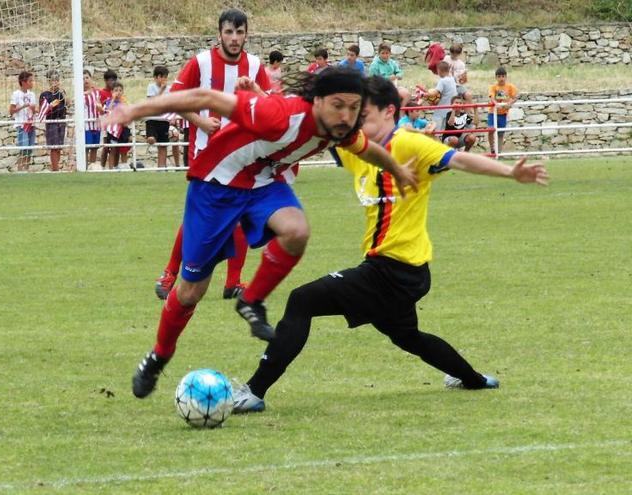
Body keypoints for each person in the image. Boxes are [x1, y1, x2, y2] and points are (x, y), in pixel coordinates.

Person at [231, 76, 548, 414]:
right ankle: (473, 379)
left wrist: (508, 173)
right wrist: (261, 99)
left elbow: (459, 160)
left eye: (362, 115)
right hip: (398, 273)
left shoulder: (410, 144)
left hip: (394, 271)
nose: (354, 123)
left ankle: (254, 391)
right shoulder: (359, 149)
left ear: (389, 111)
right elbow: (308, 124)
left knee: (302, 299)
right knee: (407, 336)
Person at [103, 68, 419, 399]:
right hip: (216, 187)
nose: (347, 116)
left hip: (262, 184)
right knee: (190, 291)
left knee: (296, 231)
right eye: (339, 105)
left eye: (354, 108)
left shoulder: (340, 128)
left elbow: (366, 148)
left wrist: (396, 168)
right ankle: (158, 355)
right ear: (319, 100)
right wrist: (133, 111)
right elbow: (204, 97)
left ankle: (251, 301)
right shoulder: (279, 116)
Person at [154, 8, 274, 302]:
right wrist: (201, 122)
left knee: (242, 215)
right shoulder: (201, 62)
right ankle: (170, 272)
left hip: (244, 155)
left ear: (247, 34)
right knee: (200, 217)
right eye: (229, 32)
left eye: (240, 32)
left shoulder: (255, 66)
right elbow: (175, 100)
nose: (234, 38)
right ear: (219, 33)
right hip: (206, 155)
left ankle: (233, 282)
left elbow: (272, 106)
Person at [38, 69, 67, 172]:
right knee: (54, 147)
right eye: (53, 80)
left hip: (62, 121)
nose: (55, 82)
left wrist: (65, 95)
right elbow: (41, 110)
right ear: (48, 81)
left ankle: (56, 167)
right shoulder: (45, 94)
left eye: (57, 80)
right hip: (52, 122)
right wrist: (50, 106)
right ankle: (55, 169)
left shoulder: (61, 93)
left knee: (59, 146)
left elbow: (68, 104)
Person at [10, 71, 37, 171]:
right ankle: (20, 170)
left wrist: (38, 109)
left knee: (29, 149)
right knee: (23, 148)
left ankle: (26, 169)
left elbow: (34, 110)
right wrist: (23, 106)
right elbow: (11, 111)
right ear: (23, 82)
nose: (32, 83)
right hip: (22, 125)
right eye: (30, 81)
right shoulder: (16, 94)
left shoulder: (32, 94)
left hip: (31, 124)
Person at [488, 66, 518, 154]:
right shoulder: (493, 87)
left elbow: (515, 97)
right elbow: (491, 97)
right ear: (496, 77)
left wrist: (510, 103)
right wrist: (495, 104)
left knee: (500, 133)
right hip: (493, 113)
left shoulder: (510, 86)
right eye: (499, 76)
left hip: (503, 113)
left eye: (503, 76)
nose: (501, 78)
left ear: (506, 77)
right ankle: (492, 148)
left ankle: (499, 152)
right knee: (490, 130)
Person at [442, 43, 476, 124]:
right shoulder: (446, 59)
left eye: (456, 53)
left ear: (459, 54)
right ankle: (449, 117)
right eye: (452, 53)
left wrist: (462, 77)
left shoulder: (461, 64)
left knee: (468, 95)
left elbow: (463, 80)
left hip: (457, 85)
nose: (453, 55)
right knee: (451, 96)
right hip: (447, 84)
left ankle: (467, 117)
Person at [145, 66, 171, 168]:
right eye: (161, 77)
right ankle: (149, 138)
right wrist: (161, 91)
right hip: (152, 119)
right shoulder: (151, 87)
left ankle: (161, 167)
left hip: (164, 119)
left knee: (163, 145)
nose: (163, 79)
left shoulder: (169, 89)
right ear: (155, 77)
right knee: (151, 139)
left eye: (165, 77)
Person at [102, 81, 130, 169]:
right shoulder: (109, 101)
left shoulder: (124, 102)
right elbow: (108, 109)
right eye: (116, 90)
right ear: (112, 92)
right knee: (113, 149)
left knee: (121, 149)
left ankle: (119, 166)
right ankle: (111, 168)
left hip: (123, 128)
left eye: (120, 90)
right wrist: (113, 99)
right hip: (113, 130)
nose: (118, 92)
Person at [423, 61, 457, 131]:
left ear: (439, 71)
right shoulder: (452, 79)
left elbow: (435, 92)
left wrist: (424, 94)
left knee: (436, 128)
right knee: (445, 130)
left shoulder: (442, 81)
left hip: (442, 109)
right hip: (450, 109)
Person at [82, 69, 104, 168]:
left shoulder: (97, 92)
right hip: (86, 125)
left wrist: (100, 109)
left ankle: (92, 167)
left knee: (95, 147)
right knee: (86, 147)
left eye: (87, 78)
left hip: (96, 124)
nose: (85, 80)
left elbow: (102, 106)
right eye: (83, 78)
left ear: (91, 79)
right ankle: (85, 167)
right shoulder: (80, 94)